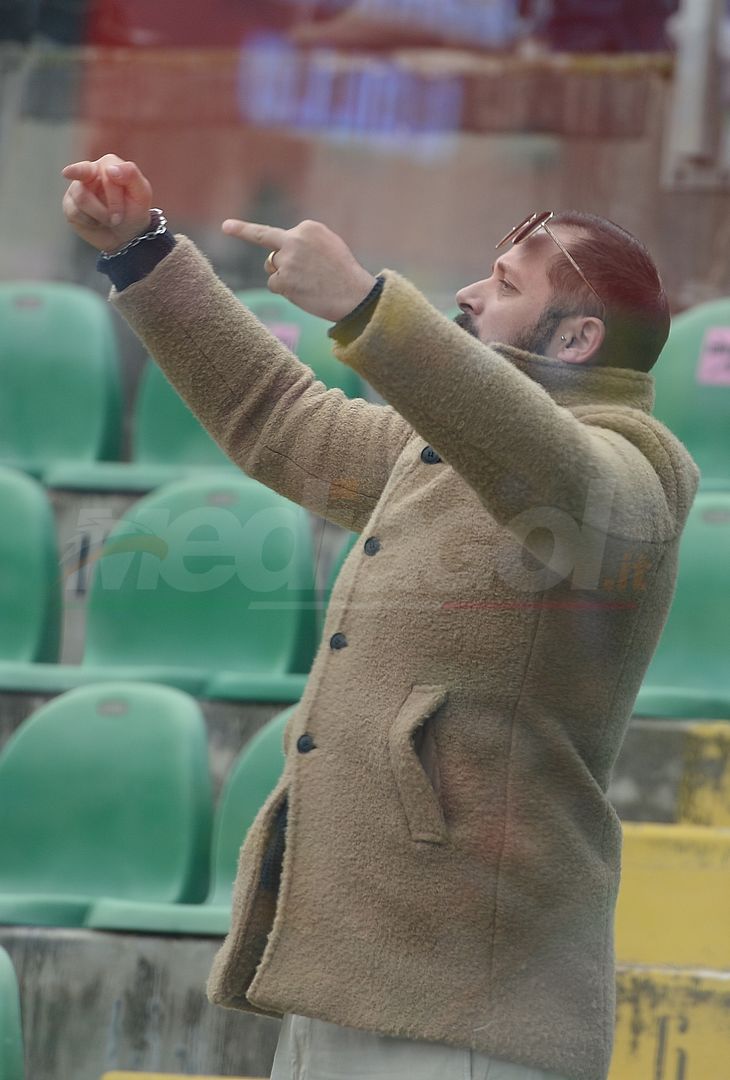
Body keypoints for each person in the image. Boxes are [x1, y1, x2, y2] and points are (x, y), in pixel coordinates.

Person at [62, 155, 699, 1080]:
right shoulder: (442, 450)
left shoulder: (639, 471)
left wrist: (367, 306)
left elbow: (553, 468)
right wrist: (142, 253)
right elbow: (277, 414)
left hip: (473, 1014)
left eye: (505, 284)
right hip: (345, 982)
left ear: (575, 339)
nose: (469, 294)